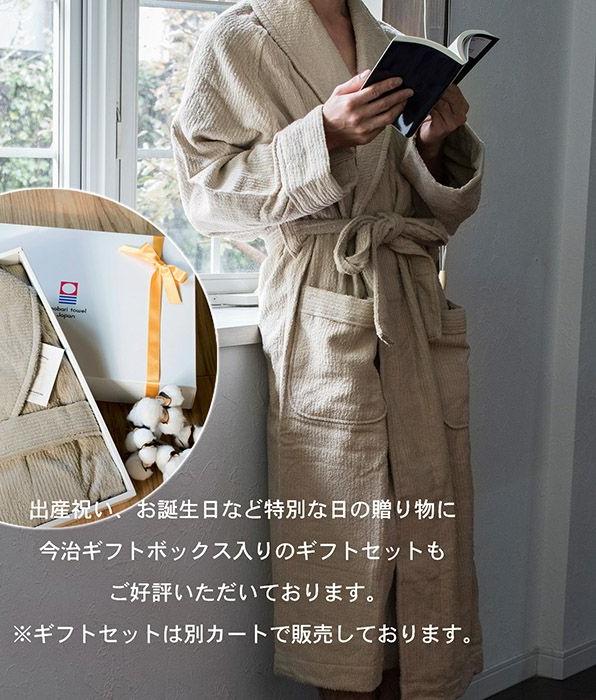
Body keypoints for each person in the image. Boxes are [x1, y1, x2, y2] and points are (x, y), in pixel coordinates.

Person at [170, 0, 486, 698]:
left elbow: (432, 211)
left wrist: (434, 144)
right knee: (344, 538)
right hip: (323, 297)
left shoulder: (391, 42)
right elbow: (206, 197)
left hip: (408, 297)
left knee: (422, 536)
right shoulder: (239, 39)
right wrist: (323, 135)